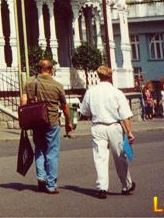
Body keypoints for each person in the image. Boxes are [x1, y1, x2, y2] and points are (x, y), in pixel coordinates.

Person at [78, 65, 136, 199]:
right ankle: (126, 185)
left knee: (100, 157)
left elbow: (85, 111)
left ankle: (102, 188)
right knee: (120, 157)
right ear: (110, 76)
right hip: (114, 126)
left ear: (98, 76)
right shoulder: (117, 92)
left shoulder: (91, 92)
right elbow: (125, 115)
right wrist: (129, 132)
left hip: (98, 126)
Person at [20, 58, 73, 195]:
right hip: (52, 122)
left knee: (39, 150)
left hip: (36, 122)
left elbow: (23, 102)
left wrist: (25, 120)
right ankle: (51, 185)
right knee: (52, 153)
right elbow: (65, 107)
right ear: (51, 70)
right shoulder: (57, 86)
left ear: (39, 69)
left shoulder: (29, 82)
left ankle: (41, 178)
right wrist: (69, 122)